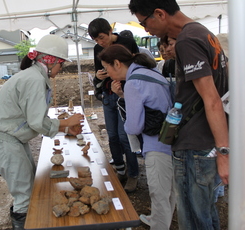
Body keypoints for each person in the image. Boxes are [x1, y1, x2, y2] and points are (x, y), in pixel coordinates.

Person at [129, 1, 229, 229]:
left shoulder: (187, 40)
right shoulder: (204, 33)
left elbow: (212, 98)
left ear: (160, 13)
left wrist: (224, 151)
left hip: (195, 145)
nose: (146, 30)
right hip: (206, 142)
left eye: (145, 22)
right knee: (205, 214)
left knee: (194, 219)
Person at [0, 35, 84, 230]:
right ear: (51, 60)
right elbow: (37, 122)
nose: (60, 69)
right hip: (5, 142)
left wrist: (64, 128)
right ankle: (21, 223)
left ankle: (24, 219)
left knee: (28, 185)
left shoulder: (34, 76)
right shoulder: (34, 79)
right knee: (25, 193)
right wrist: (67, 122)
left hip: (12, 140)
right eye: (61, 65)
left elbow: (35, 118)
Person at [99, 44, 176, 229]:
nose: (106, 72)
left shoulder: (133, 82)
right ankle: (158, 220)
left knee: (159, 192)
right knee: (170, 190)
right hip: (171, 138)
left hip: (156, 144)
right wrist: (123, 96)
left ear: (117, 63)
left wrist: (125, 123)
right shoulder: (150, 72)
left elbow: (134, 126)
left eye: (106, 67)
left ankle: (159, 226)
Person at [88, 17, 140, 192]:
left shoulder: (127, 43)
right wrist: (98, 78)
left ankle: (133, 174)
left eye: (102, 37)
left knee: (125, 136)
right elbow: (98, 74)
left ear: (110, 31)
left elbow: (136, 69)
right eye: (96, 40)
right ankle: (120, 170)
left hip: (124, 96)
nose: (100, 42)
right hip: (108, 97)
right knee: (112, 136)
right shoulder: (97, 49)